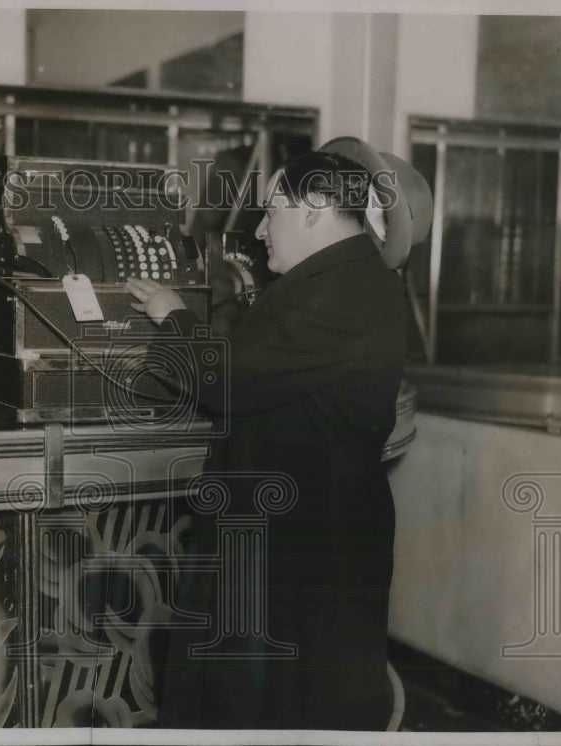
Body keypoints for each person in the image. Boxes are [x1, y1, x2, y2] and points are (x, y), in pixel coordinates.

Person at [126, 138, 432, 730]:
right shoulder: (338, 279)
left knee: (279, 704)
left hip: (304, 542)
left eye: (272, 211)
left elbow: (231, 379)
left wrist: (171, 314)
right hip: (294, 531)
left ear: (316, 205)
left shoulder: (341, 289)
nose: (261, 231)